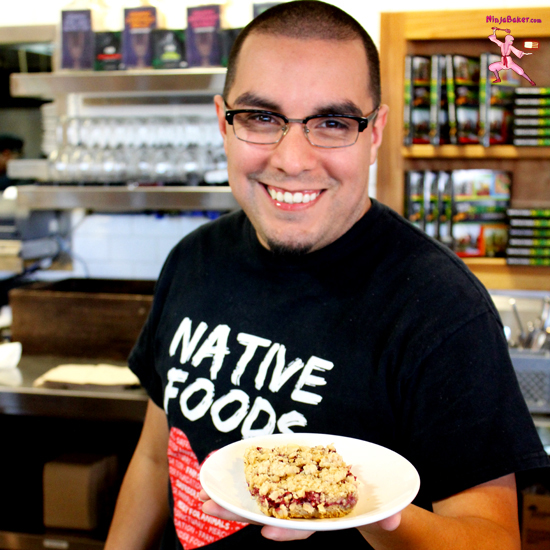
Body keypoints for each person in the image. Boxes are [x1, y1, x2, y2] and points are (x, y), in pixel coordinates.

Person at [105, 2, 549, 549]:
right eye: (261, 117)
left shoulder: (442, 308)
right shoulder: (193, 258)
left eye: (333, 123)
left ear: (375, 132)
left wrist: (361, 507)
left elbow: (494, 540)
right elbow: (157, 456)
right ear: (224, 122)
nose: (292, 160)